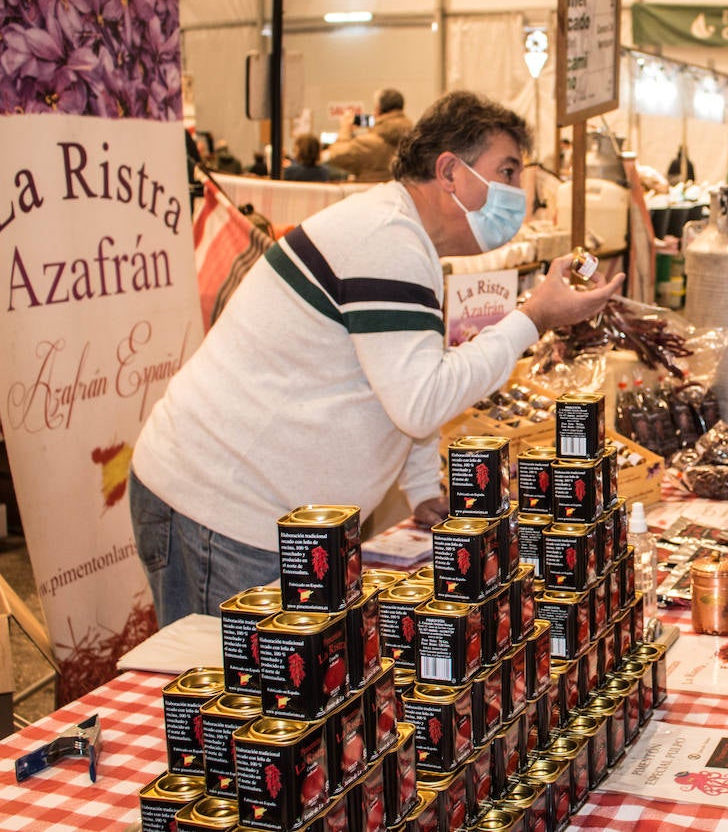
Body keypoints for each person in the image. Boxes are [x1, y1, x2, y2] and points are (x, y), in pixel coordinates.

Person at [129, 90, 623, 625]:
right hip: (222, 514)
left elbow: (405, 374)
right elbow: (420, 400)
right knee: (237, 697)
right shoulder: (387, 238)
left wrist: (418, 487)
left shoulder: (404, 239)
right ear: (450, 171)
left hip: (268, 518)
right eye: (505, 172)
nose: (516, 194)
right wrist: (533, 318)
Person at [325, 87, 413, 182]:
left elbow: (336, 156)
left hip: (373, 191)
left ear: (378, 109)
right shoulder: (412, 137)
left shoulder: (367, 143)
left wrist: (345, 129)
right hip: (402, 193)